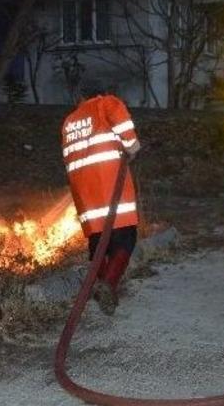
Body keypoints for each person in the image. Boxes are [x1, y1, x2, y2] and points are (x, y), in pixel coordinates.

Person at [61, 86, 141, 315]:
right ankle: (108, 283)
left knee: (99, 243)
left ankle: (101, 281)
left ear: (79, 99)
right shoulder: (103, 103)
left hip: (86, 196)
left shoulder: (69, 122)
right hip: (109, 187)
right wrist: (132, 146)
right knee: (125, 238)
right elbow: (119, 115)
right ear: (98, 93)